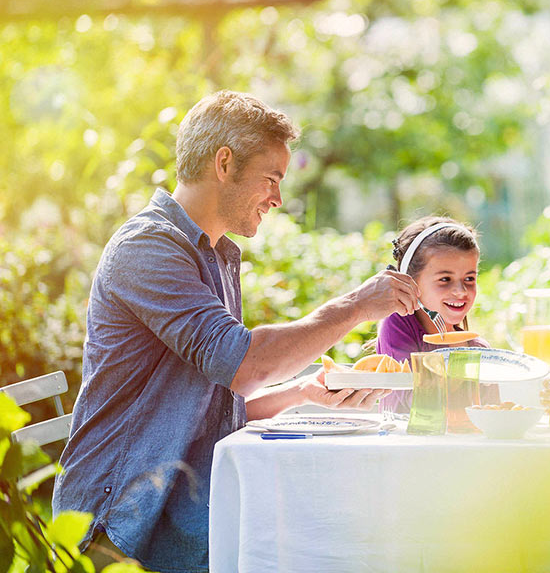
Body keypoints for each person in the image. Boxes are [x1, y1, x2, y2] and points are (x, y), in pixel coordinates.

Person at [52, 91, 420, 573]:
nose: (278, 198)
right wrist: (357, 304)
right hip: (119, 528)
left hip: (180, 513)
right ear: (224, 163)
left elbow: (213, 405)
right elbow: (247, 365)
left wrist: (304, 392)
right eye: (271, 178)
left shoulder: (214, 255)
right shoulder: (147, 250)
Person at [375, 216, 492, 412]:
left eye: (469, 278)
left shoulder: (479, 348)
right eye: (445, 279)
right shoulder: (397, 324)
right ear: (410, 282)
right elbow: (421, 402)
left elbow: (492, 414)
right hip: (404, 441)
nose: (461, 291)